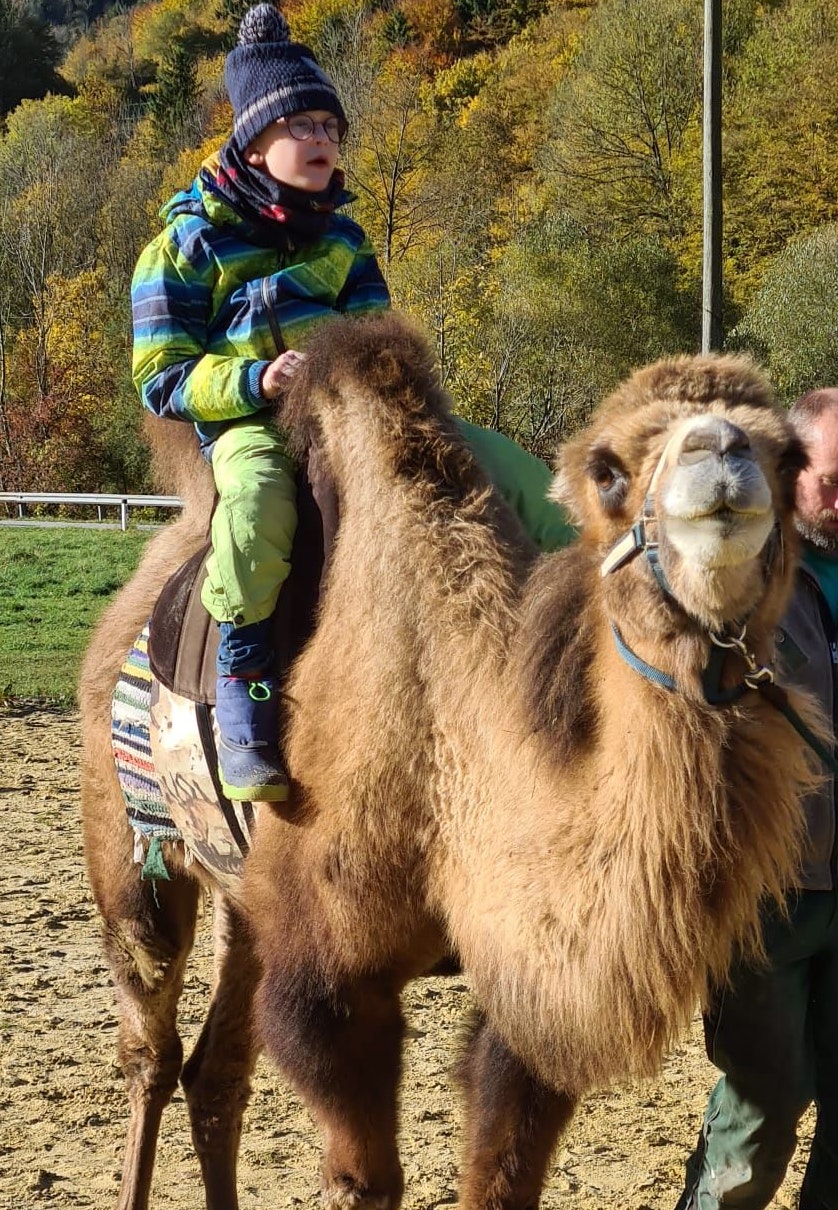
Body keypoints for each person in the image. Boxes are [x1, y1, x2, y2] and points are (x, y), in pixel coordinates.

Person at [131, 3, 573, 804]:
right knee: (260, 504)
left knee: (512, 467)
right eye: (302, 123)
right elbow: (160, 375)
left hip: (357, 417)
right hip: (251, 424)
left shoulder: (344, 239)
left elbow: (379, 336)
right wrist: (252, 382)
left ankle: (579, 620)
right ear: (253, 140)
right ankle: (245, 675)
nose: (323, 138)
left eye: (331, 125)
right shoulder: (186, 245)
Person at [674, 387, 838, 1210]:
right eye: (830, 483)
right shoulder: (733, 587)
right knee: (762, 1112)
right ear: (789, 475)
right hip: (765, 897)